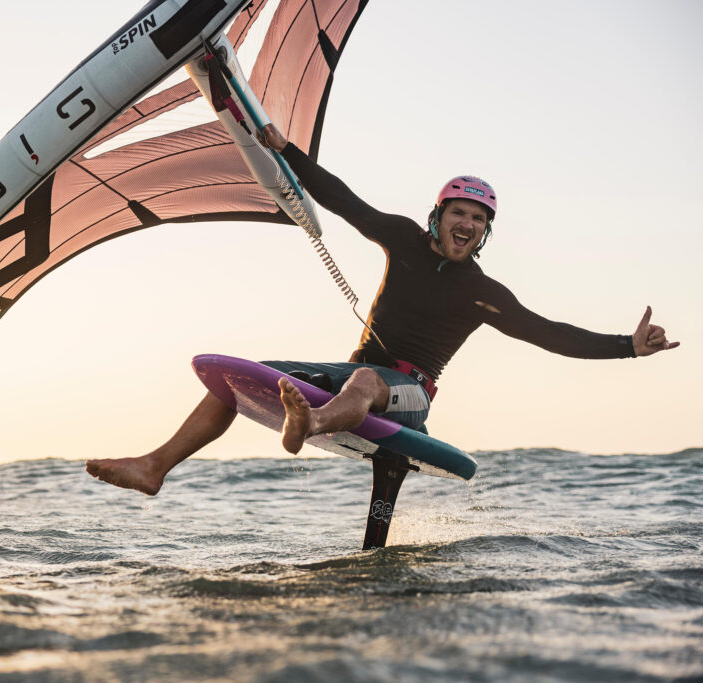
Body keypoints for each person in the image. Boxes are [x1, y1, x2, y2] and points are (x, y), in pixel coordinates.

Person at [85, 123, 679, 495]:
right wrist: (286, 150)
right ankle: (155, 466)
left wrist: (628, 346)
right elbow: (344, 201)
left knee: (370, 380)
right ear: (438, 215)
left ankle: (310, 422)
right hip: (357, 377)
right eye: (458, 212)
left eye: (479, 219)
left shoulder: (484, 293)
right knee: (240, 374)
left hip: (412, 394)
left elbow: (551, 334)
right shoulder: (400, 237)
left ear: (485, 231)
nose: (466, 223)